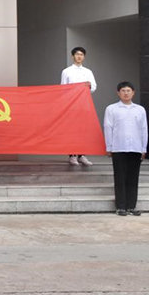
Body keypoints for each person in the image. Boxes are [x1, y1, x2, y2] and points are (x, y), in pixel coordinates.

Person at [103, 81, 147, 216]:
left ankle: (131, 206)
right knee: (120, 178)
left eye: (128, 91)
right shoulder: (111, 109)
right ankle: (121, 206)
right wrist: (109, 146)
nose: (126, 93)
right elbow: (108, 127)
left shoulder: (140, 110)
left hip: (135, 148)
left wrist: (143, 148)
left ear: (133, 93)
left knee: (133, 178)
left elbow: (144, 129)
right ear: (118, 93)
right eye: (123, 91)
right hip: (118, 147)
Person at [61, 46, 98, 166]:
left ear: (84, 57)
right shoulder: (66, 71)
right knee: (72, 129)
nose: (79, 56)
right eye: (77, 54)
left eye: (81, 54)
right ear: (73, 56)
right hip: (71, 104)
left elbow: (94, 87)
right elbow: (63, 88)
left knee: (83, 129)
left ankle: (82, 155)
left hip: (84, 104)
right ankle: (72, 155)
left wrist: (89, 85)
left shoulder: (88, 72)